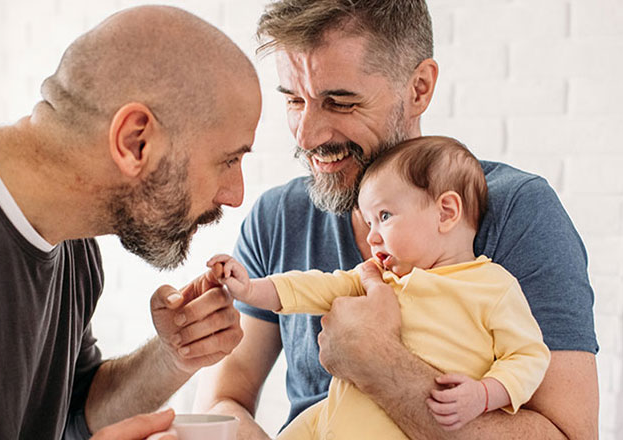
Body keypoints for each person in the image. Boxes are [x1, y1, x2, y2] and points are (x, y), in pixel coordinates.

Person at [0, 5, 261, 440]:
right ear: (135, 141)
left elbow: (73, 415)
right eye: (228, 160)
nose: (235, 195)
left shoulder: (73, 250)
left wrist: (172, 356)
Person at [193, 1, 599, 439]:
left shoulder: (518, 211)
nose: (306, 135)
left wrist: (379, 364)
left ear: (419, 88)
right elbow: (222, 399)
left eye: (340, 102)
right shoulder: (278, 216)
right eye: (294, 100)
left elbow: (570, 433)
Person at [205, 136, 550, 438]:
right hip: (327, 420)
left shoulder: (493, 287)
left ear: (446, 212)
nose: (372, 236)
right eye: (368, 221)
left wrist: (485, 395)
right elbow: (314, 287)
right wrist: (251, 290)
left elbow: (528, 356)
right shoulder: (378, 278)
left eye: (384, 216)